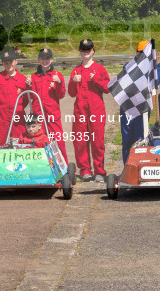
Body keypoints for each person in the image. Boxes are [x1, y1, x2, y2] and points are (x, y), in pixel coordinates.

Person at [68, 39, 110, 183]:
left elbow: (107, 88)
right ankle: (85, 170)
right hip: (80, 110)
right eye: (83, 50)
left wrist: (96, 79)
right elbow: (71, 93)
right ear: (80, 52)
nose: (86, 52)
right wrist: (74, 81)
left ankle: (99, 171)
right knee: (80, 140)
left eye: (88, 50)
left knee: (97, 141)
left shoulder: (100, 69)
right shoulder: (76, 70)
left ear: (93, 51)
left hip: (96, 110)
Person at [26, 47, 67, 159]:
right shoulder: (34, 76)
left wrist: (58, 82)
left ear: (52, 59)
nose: (45, 61)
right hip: (38, 114)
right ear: (39, 59)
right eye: (43, 58)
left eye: (47, 58)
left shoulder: (57, 75)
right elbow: (31, 96)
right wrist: (29, 85)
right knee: (39, 141)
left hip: (52, 114)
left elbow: (61, 95)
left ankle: (63, 168)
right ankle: (41, 167)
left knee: (58, 141)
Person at [120, 40, 151, 164]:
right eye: (140, 52)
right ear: (136, 52)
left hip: (143, 108)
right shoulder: (128, 65)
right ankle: (127, 167)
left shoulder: (152, 69)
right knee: (127, 138)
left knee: (141, 137)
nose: (142, 55)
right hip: (127, 107)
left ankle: (140, 165)